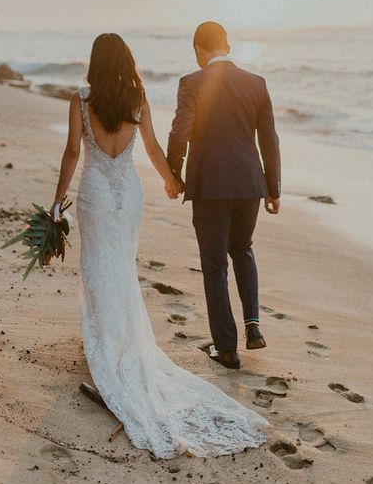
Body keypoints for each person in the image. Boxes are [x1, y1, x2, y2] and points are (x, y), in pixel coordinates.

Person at [51, 32, 268, 458]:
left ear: (94, 62)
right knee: (121, 267)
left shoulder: (80, 100)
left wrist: (57, 201)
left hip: (96, 191)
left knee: (98, 265)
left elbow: (73, 151)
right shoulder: (138, 99)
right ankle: (121, 341)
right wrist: (173, 180)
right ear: (127, 61)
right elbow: (150, 148)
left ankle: (103, 342)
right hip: (128, 193)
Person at [167, 21, 281, 370]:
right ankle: (253, 324)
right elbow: (269, 139)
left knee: (214, 266)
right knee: (242, 249)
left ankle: (226, 349)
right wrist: (273, 188)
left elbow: (179, 133)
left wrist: (174, 173)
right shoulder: (256, 83)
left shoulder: (192, 83)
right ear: (227, 46)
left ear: (200, 49)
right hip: (249, 185)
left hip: (210, 187)